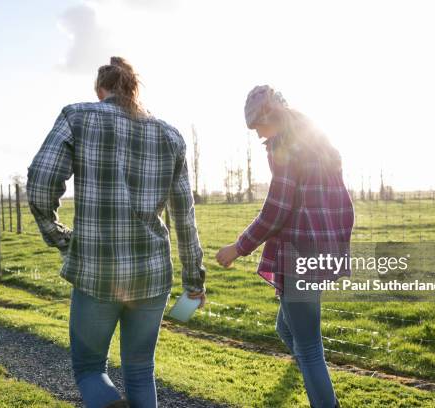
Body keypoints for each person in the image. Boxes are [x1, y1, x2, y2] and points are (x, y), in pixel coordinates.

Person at [26, 57, 206, 408]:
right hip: (152, 276)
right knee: (141, 370)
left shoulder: (77, 117)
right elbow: (184, 217)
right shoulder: (170, 136)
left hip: (97, 272)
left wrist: (60, 236)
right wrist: (194, 282)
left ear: (100, 91)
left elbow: (41, 182)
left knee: (91, 369)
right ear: (134, 91)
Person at [216, 85, 354, 408]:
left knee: (309, 348)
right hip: (321, 249)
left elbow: (276, 210)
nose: (258, 134)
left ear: (270, 116)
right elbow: (339, 204)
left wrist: (239, 246)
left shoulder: (284, 145)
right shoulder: (317, 141)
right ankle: (313, 377)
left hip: (300, 251)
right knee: (285, 327)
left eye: (257, 126)